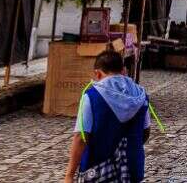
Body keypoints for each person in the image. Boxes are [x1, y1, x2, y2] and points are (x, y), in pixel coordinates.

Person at [64, 50, 152, 182]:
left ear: (97, 73)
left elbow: (80, 137)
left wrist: (69, 175)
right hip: (132, 168)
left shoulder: (91, 96)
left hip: (97, 171)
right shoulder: (140, 95)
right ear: (124, 71)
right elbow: (145, 132)